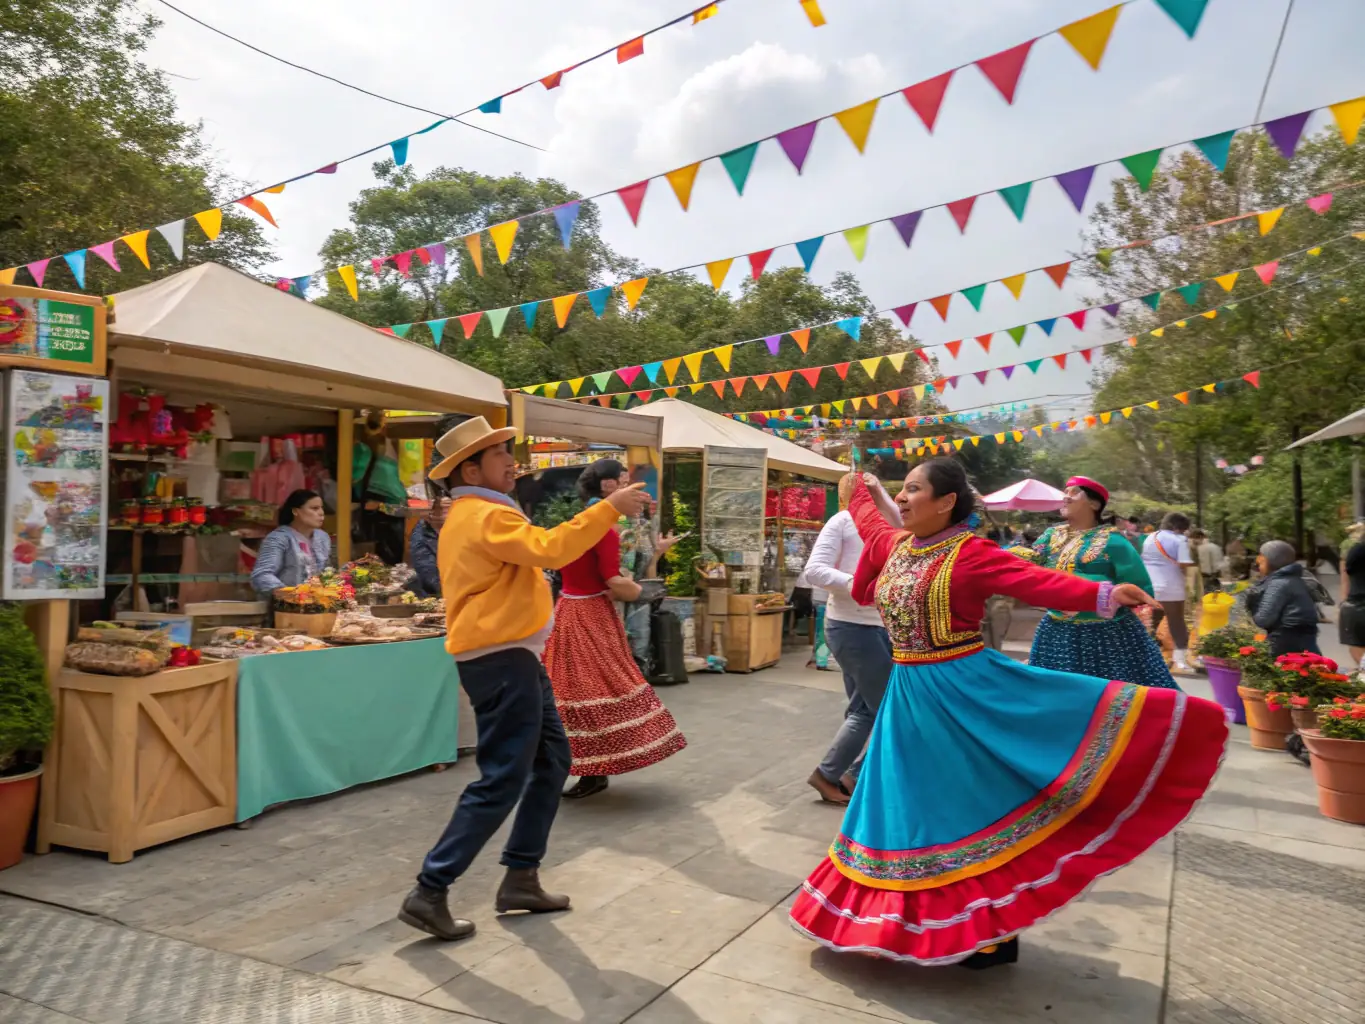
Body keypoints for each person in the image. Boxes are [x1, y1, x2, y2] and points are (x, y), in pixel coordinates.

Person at [787, 461, 1226, 968]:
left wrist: (1104, 594)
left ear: (946, 501)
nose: (902, 498)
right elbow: (867, 517)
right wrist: (859, 484)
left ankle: (987, 930)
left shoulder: (969, 553)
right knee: (906, 801)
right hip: (909, 693)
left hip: (963, 689)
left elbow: (1035, 582)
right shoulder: (895, 546)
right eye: (900, 490)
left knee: (969, 799)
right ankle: (906, 917)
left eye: (913, 489)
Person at [399, 418, 651, 942]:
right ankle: (431, 889)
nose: (512, 461)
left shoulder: (478, 512)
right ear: (471, 468)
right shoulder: (483, 515)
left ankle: (520, 876)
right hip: (502, 658)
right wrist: (606, 508)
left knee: (552, 761)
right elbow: (550, 549)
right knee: (502, 778)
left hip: (512, 656)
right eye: (499, 454)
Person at [542, 460, 687, 800]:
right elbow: (613, 579)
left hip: (568, 608)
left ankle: (587, 767)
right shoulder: (602, 529)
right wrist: (646, 592)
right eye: (626, 483)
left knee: (574, 691)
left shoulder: (579, 522)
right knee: (596, 689)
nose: (635, 491)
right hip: (590, 613)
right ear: (608, 488)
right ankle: (593, 766)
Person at [1012, 477, 1177, 690]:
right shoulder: (1052, 535)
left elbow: (1141, 589)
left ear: (1094, 504)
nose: (1065, 497)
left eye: (1073, 492)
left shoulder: (1114, 541)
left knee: (1106, 698)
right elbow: (1032, 561)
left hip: (1104, 636)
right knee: (1050, 694)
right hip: (1054, 631)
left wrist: (1115, 592)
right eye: (1065, 492)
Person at [801, 472, 894, 804]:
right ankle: (851, 775)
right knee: (891, 710)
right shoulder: (842, 521)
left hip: (879, 628)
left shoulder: (892, 524)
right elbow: (815, 570)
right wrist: (864, 585)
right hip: (852, 627)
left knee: (864, 710)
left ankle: (832, 775)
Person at [1141, 513, 1197, 675]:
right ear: (1176, 527)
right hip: (1171, 585)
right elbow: (1184, 563)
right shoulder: (1179, 540)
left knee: (1153, 621)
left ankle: (1150, 657)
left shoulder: (1150, 537)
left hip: (1150, 585)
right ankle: (1180, 661)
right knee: (1177, 622)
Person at [1246, 540, 1322, 657]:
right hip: (1304, 639)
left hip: (1286, 641)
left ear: (1272, 560)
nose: (1257, 562)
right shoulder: (1294, 579)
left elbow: (1263, 619)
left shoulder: (1279, 583)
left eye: (1262, 558)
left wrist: (1250, 606)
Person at [250, 489, 330, 598]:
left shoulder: (323, 537)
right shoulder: (278, 538)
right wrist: (288, 594)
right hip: (284, 607)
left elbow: (327, 572)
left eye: (321, 508)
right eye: (314, 508)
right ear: (295, 511)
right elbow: (261, 575)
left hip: (317, 603)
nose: (321, 513)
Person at [407, 495, 450, 597]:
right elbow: (429, 576)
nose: (445, 513)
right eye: (440, 510)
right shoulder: (421, 535)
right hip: (434, 595)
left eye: (449, 509)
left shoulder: (458, 527)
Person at [1340, 523, 1365, 668]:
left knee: (1357, 646)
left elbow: (1346, 576)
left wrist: (1343, 602)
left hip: (1355, 605)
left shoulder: (1356, 550)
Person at [1190, 529, 1224, 596]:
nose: (1193, 542)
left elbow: (1205, 568)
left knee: (1207, 600)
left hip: (1206, 579)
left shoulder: (1202, 548)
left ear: (1199, 537)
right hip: (1215, 578)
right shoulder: (1215, 546)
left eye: (1193, 539)